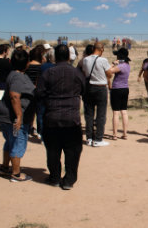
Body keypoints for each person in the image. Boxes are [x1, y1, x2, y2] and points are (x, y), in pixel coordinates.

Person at [36, 44, 86, 190]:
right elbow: (84, 90)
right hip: (72, 119)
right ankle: (69, 180)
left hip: (52, 117)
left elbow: (39, 93)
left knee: (53, 150)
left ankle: (55, 177)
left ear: (55, 56)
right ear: (70, 57)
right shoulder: (77, 73)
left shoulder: (48, 73)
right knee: (73, 150)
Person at [0, 49, 35, 182]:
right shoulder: (18, 77)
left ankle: (5, 167)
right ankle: (16, 174)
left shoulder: (14, 74)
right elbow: (14, 96)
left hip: (5, 116)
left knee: (10, 142)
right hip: (13, 118)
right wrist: (19, 116)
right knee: (18, 143)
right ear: (27, 63)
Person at [82, 42, 112, 147]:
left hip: (89, 88)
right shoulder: (103, 60)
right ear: (101, 49)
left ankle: (89, 138)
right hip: (100, 88)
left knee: (89, 114)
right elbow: (109, 74)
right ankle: (98, 139)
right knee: (101, 114)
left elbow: (84, 72)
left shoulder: (85, 60)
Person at [107, 48, 131, 140]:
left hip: (117, 89)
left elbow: (109, 71)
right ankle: (125, 133)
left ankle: (115, 134)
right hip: (125, 89)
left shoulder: (120, 66)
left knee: (116, 113)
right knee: (124, 112)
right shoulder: (127, 65)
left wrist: (113, 64)